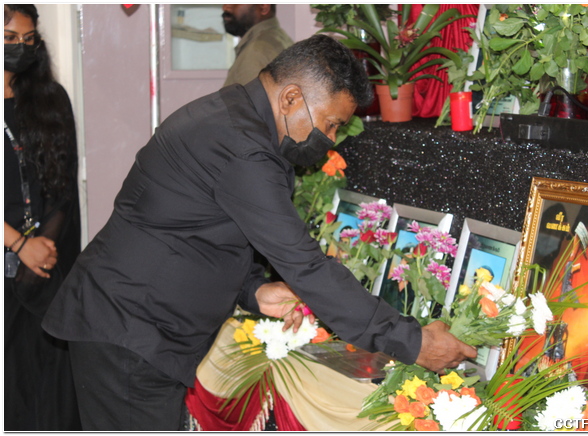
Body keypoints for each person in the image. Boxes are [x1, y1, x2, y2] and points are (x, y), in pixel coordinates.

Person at [42, 34, 477, 431]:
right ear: (291, 98)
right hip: (129, 333)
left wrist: (253, 290)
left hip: (132, 326)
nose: (331, 138)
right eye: (331, 123)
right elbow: (305, 264)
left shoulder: (236, 118)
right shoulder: (242, 147)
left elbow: (201, 227)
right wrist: (412, 341)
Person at [4, 4, 82, 431]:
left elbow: (62, 187)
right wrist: (18, 244)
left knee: (51, 393)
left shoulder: (51, 100)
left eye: (28, 39)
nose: (20, 47)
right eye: (9, 39)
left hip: (47, 268)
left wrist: (43, 250)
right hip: (10, 256)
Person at [222, 4, 293, 87]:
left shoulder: (257, 49)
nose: (225, 7)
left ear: (263, 7)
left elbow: (257, 95)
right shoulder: (277, 37)